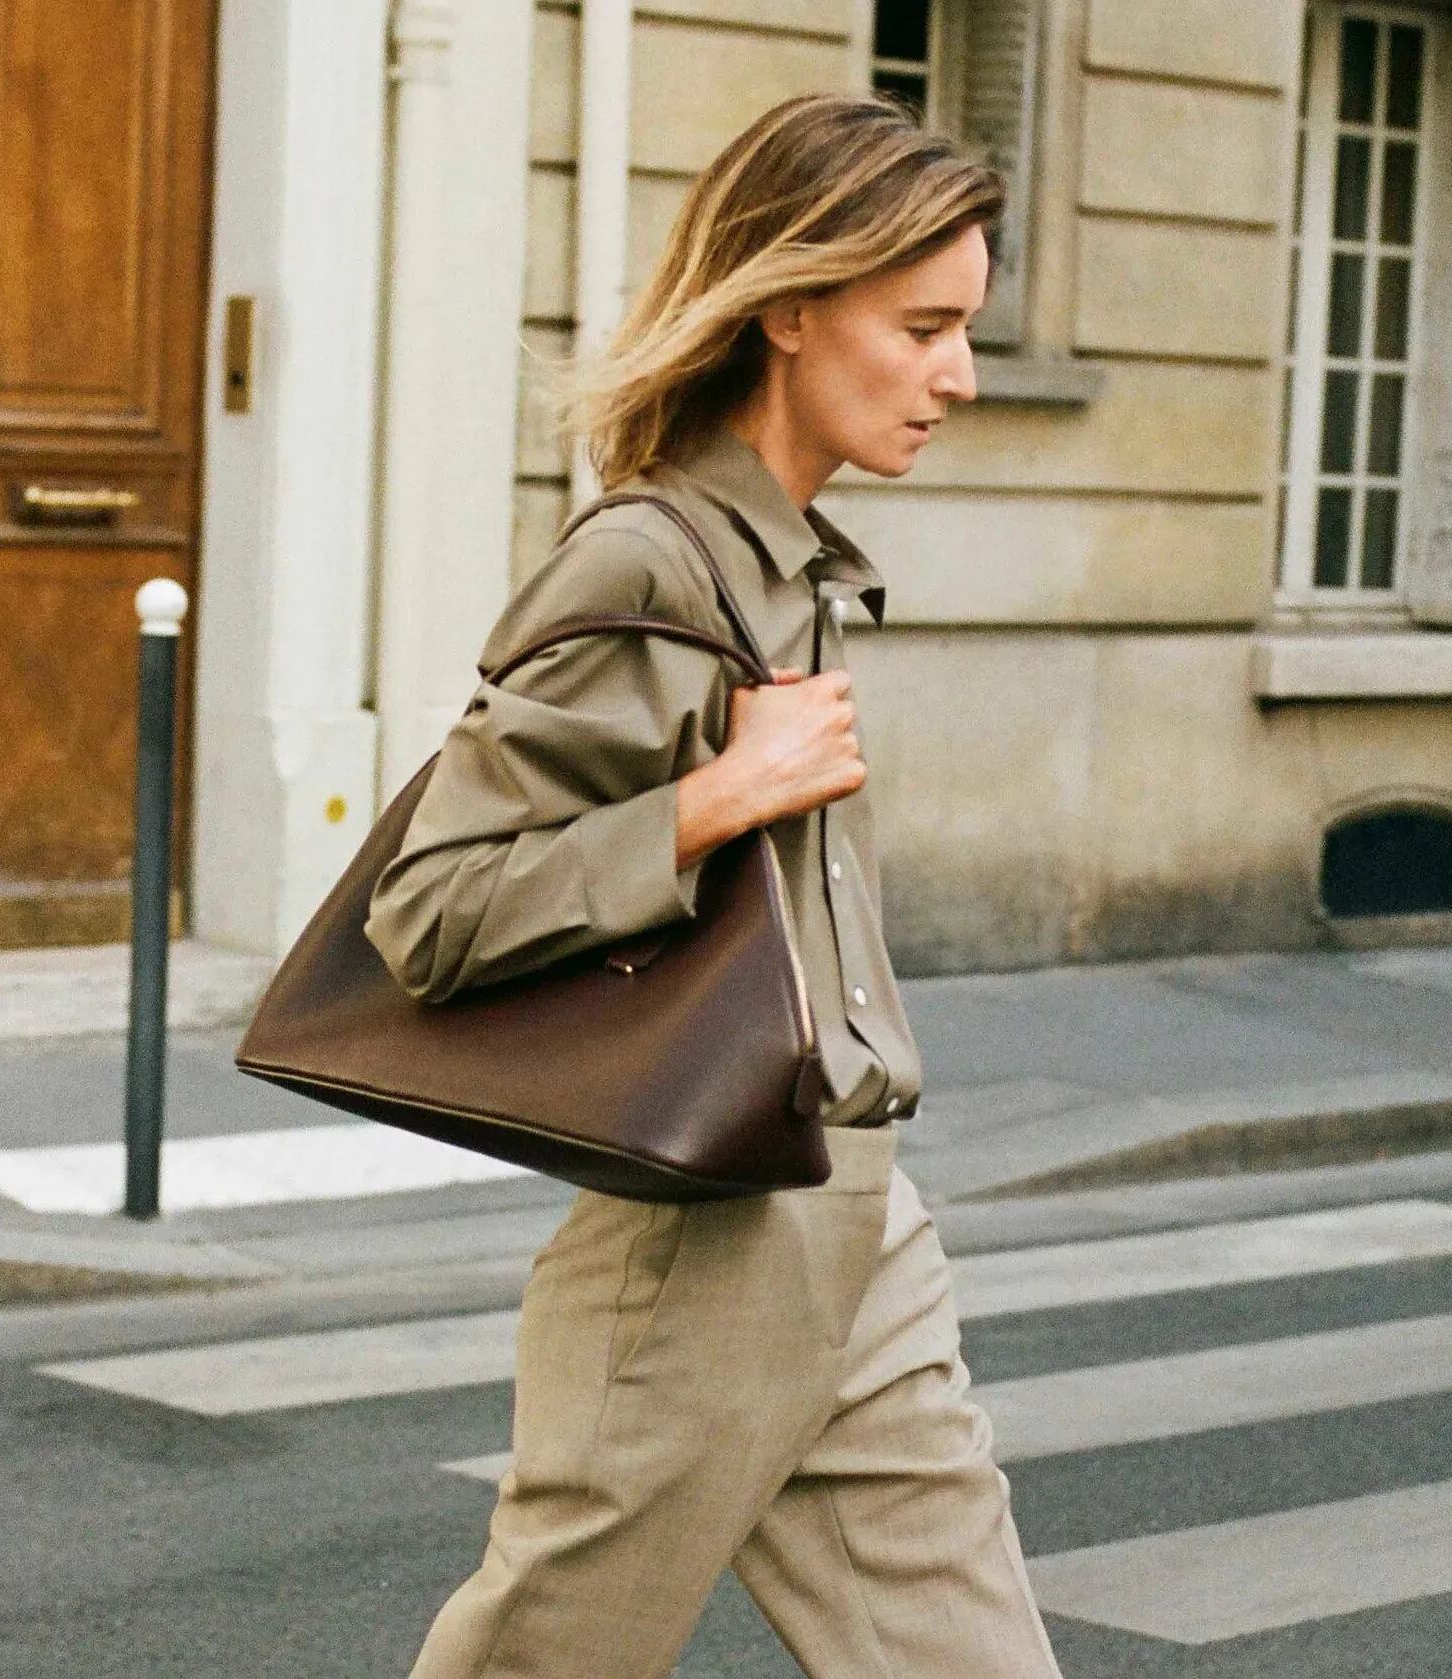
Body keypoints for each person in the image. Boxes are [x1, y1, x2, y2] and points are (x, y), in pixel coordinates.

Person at [365, 92, 1063, 1679]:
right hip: (713, 1241)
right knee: (544, 1663)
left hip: (857, 1213)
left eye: (968, 329)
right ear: (796, 308)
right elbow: (431, 910)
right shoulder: (650, 565)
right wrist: (710, 800)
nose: (959, 374)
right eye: (927, 326)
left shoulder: (790, 564)